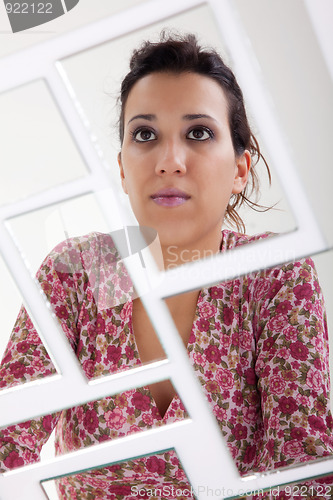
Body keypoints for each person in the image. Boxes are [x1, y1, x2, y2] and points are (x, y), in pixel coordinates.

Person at [1, 32, 333, 500]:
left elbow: (304, 474)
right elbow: (6, 442)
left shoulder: (273, 277)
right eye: (145, 135)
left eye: (198, 133)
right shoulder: (78, 273)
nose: (169, 161)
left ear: (241, 169)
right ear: (121, 167)